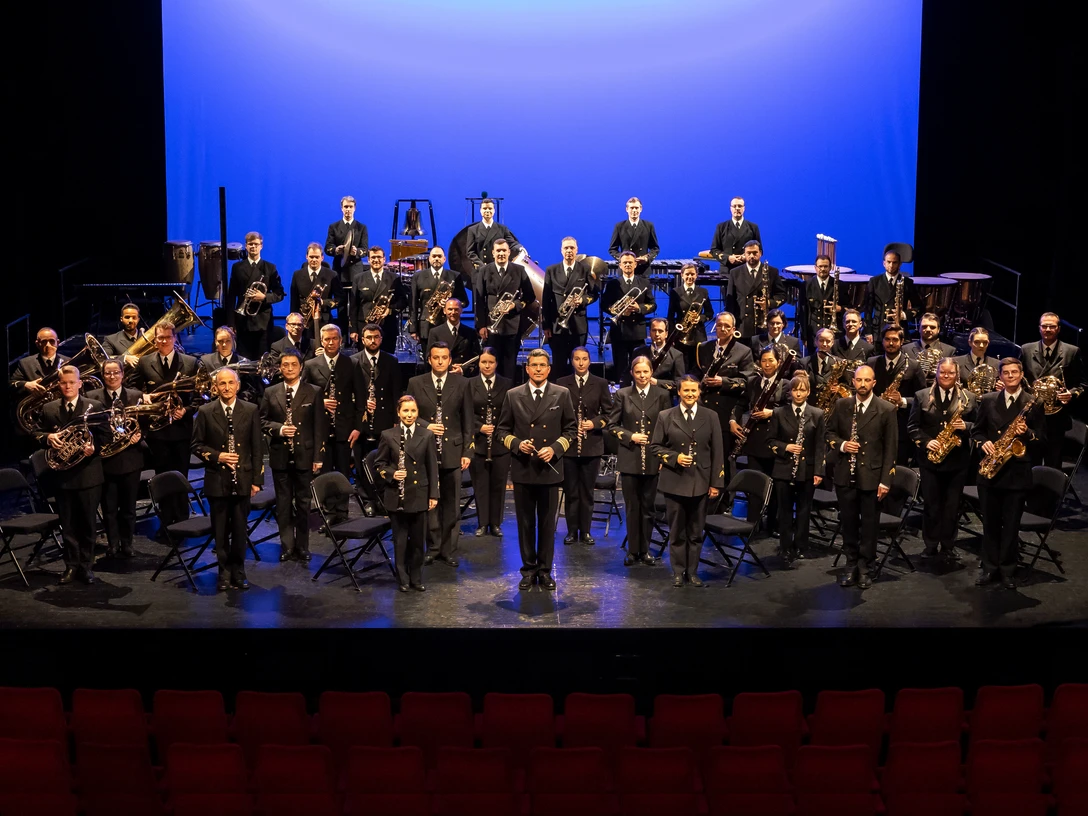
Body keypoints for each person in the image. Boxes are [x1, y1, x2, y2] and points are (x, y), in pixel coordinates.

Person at [496, 349, 576, 590]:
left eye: (543, 365)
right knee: (525, 523)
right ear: (527, 369)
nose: (538, 369)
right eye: (534, 365)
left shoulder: (562, 394)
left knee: (547, 524)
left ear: (549, 369)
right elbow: (501, 432)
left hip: (549, 470)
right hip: (524, 468)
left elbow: (571, 430)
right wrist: (518, 444)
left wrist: (554, 449)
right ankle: (528, 570)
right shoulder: (513, 395)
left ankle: (545, 570)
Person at [971, 357, 1046, 589]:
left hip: (1016, 473)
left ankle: (1008, 570)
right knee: (990, 524)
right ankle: (990, 568)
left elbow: (1042, 438)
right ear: (1000, 376)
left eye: (1015, 372)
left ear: (1022, 374)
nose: (1011, 376)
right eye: (1006, 373)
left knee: (1012, 525)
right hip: (991, 472)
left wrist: (1026, 433)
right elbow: (976, 431)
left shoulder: (1033, 402)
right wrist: (982, 443)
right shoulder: (988, 400)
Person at [825, 365, 897, 589]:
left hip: (872, 476)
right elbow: (829, 433)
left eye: (867, 380)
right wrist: (844, 445)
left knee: (869, 525)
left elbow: (891, 449)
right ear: (853, 382)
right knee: (847, 523)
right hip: (846, 474)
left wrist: (886, 480)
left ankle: (866, 566)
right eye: (859, 380)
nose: (863, 384)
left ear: (874, 383)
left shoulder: (886, 409)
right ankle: (851, 563)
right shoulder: (842, 404)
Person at [192, 368, 264, 591]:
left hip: (242, 479)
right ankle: (223, 572)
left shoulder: (251, 410)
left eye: (230, 383)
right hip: (217, 480)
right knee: (220, 531)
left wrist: (256, 481)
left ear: (238, 385)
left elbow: (256, 448)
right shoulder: (205, 411)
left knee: (241, 530)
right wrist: (218, 456)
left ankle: (239, 571)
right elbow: (196, 446)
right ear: (216, 387)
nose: (226, 387)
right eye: (222, 383)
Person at [650, 375, 725, 587]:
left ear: (699, 392)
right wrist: (675, 458)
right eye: (686, 391)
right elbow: (655, 447)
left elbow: (718, 452)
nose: (690, 394)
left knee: (695, 532)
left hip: (701, 482)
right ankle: (678, 571)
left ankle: (693, 572)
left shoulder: (710, 416)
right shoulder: (666, 416)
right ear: (679, 392)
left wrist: (716, 483)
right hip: (674, 482)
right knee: (677, 532)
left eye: (694, 391)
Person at [407, 342, 473, 567]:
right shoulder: (415, 383)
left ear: (450, 359)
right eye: (436, 357)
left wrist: (467, 451)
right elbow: (407, 414)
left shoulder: (462, 383)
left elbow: (468, 421)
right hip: (425, 453)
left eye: (444, 357)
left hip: (453, 451)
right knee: (430, 502)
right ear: (429, 359)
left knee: (452, 503)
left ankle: (448, 548)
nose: (440, 361)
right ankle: (433, 547)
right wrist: (426, 425)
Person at [39, 366, 106, 584]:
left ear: (80, 383)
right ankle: (70, 566)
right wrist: (48, 437)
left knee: (87, 523)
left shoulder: (94, 407)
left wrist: (93, 447)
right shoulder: (49, 409)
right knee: (67, 525)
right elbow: (34, 433)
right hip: (62, 476)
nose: (67, 386)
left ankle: (86, 566)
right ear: (58, 385)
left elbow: (107, 436)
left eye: (71, 382)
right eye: (63, 383)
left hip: (88, 475)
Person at [259, 349, 326, 563]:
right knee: (283, 504)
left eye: (293, 364)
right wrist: (279, 429)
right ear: (280, 368)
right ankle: (287, 546)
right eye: (285, 364)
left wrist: (318, 457)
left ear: (301, 367)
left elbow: (319, 427)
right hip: (280, 455)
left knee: (304, 504)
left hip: (304, 455)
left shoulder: (314, 391)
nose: (289, 368)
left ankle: (303, 546)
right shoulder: (271, 392)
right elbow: (261, 421)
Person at [908, 358, 978, 562]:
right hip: (930, 460)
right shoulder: (921, 396)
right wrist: (925, 442)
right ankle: (930, 545)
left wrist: (966, 426)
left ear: (957, 375)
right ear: (936, 373)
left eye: (950, 373)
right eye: (942, 372)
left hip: (957, 462)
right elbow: (912, 427)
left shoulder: (969, 397)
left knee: (952, 506)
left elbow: (980, 426)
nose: (946, 376)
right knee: (931, 504)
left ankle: (948, 545)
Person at [608, 356, 672, 567]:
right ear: (633, 374)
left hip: (653, 458)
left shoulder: (662, 394)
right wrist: (630, 436)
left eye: (645, 372)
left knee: (648, 507)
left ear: (651, 372)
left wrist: (663, 455)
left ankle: (645, 550)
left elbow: (668, 428)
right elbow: (612, 426)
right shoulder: (622, 394)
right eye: (638, 372)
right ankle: (633, 550)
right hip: (630, 458)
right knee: (632, 507)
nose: (642, 376)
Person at [301, 324, 366, 524]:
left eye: (334, 339)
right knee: (326, 472)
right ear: (321, 340)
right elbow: (303, 395)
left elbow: (361, 398)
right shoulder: (311, 365)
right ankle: (329, 513)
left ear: (340, 340)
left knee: (344, 471)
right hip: (321, 430)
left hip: (345, 428)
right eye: (326, 339)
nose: (330, 343)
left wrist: (357, 428)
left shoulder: (351, 363)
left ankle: (343, 512)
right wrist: (319, 402)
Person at [135, 321, 199, 524]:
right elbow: (133, 388)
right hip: (157, 432)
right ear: (155, 340)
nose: (163, 341)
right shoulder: (145, 362)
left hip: (181, 431)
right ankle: (166, 520)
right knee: (162, 475)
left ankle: (182, 519)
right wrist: (142, 396)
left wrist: (185, 410)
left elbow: (200, 398)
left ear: (175, 339)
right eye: (160, 338)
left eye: (167, 337)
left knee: (181, 474)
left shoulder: (190, 363)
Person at [375, 395, 439, 592]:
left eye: (413, 411)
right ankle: (402, 578)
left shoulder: (426, 435)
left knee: (419, 541)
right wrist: (394, 474)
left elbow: (432, 467)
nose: (409, 415)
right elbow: (380, 464)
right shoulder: (388, 435)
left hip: (419, 494)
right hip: (397, 496)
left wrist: (433, 495)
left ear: (417, 412)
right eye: (405, 411)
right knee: (400, 540)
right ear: (398, 412)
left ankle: (416, 577)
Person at [87, 359, 145, 559]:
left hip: (130, 461)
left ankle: (127, 543)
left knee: (128, 507)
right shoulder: (92, 398)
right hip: (105, 462)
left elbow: (146, 424)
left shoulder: (136, 396)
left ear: (123, 374)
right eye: (108, 373)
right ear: (103, 376)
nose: (112, 376)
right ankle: (113, 544)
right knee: (109, 508)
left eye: (115, 373)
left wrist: (140, 435)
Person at [730, 345, 791, 529]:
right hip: (755, 441)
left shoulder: (786, 384)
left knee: (774, 486)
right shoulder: (752, 382)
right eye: (763, 360)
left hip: (776, 439)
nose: (767, 364)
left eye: (770, 360)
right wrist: (733, 420)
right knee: (755, 483)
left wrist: (771, 413)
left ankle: (772, 523)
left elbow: (790, 410)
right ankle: (752, 524)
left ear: (778, 362)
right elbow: (741, 403)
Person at [557, 347, 614, 546]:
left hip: (592, 446)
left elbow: (609, 414)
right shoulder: (562, 383)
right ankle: (572, 531)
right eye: (577, 359)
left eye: (584, 359)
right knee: (571, 490)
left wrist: (594, 423)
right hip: (570, 446)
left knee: (587, 491)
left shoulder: (600, 383)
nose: (581, 363)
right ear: (572, 361)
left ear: (590, 361)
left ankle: (586, 531)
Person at [767, 373, 825, 565]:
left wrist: (818, 471)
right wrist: (786, 448)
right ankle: (785, 547)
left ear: (808, 392)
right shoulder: (779, 413)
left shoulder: (817, 414)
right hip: (784, 468)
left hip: (806, 469)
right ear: (790, 392)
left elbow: (819, 446)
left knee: (804, 509)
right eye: (795, 390)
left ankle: (801, 545)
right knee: (784, 510)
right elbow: (770, 441)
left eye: (802, 390)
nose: (798, 393)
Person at [696, 312, 754, 494]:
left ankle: (725, 499)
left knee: (723, 456)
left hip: (725, 410)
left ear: (734, 329)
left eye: (726, 326)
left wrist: (723, 382)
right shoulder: (704, 347)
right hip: (703, 408)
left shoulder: (743, 351)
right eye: (719, 325)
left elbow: (748, 381)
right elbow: (693, 373)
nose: (722, 329)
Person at [1020, 311, 1085, 468]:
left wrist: (1072, 393)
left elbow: (1082, 384)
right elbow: (1020, 380)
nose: (1048, 329)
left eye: (1052, 326)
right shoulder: (1026, 349)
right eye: (1044, 326)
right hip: (1033, 415)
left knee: (1053, 461)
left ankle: (1050, 492)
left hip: (1057, 417)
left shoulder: (1072, 351)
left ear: (1058, 329)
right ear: (1039, 328)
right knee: (1031, 460)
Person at [474, 238, 537, 378]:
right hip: (491, 325)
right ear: (493, 253)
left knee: (509, 365)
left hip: (512, 326)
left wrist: (515, 305)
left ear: (509, 252)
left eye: (504, 250)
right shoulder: (484, 271)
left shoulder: (519, 270)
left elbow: (530, 297)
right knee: (490, 364)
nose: (501, 253)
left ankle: (508, 396)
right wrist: (481, 325)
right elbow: (479, 300)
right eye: (498, 251)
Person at [468, 348, 513, 537]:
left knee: (498, 485)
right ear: (478, 363)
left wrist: (497, 427)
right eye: (483, 362)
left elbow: (510, 412)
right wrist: (480, 427)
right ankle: (482, 522)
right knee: (480, 485)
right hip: (478, 444)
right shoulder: (469, 384)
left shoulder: (507, 383)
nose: (487, 366)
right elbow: (466, 413)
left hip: (499, 443)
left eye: (491, 362)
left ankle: (495, 523)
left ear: (496, 364)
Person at [543, 237, 598, 380]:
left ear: (577, 250)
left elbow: (593, 294)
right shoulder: (551, 270)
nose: (569, 251)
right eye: (566, 248)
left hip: (578, 326)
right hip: (557, 326)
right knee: (559, 365)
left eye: (572, 248)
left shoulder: (585, 269)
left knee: (578, 366)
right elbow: (546, 299)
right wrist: (546, 325)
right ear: (561, 250)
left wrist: (583, 300)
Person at [601, 251, 656, 386]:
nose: (627, 265)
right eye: (624, 262)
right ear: (619, 265)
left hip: (637, 331)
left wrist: (639, 308)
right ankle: (621, 392)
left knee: (638, 364)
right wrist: (617, 310)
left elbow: (653, 305)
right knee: (620, 365)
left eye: (630, 262)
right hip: (619, 331)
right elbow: (604, 305)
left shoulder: (644, 282)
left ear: (635, 264)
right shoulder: (613, 283)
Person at [228, 231, 285, 359]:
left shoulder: (270, 268)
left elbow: (280, 293)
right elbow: (231, 295)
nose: (253, 247)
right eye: (250, 244)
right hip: (243, 321)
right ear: (246, 246)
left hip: (263, 321)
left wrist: (264, 297)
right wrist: (231, 322)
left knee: (262, 358)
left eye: (256, 244)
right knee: (243, 358)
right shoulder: (237, 267)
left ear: (261, 246)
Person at [354, 323, 402, 461]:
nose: (373, 341)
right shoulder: (354, 361)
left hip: (384, 419)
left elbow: (396, 392)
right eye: (369, 337)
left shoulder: (391, 360)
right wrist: (364, 403)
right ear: (363, 340)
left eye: (376, 337)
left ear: (381, 339)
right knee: (361, 458)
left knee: (384, 459)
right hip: (362, 420)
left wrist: (396, 420)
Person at [350, 246, 407, 354]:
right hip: (364, 326)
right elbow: (353, 306)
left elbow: (403, 301)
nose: (376, 260)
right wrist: (353, 330)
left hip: (387, 327)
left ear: (384, 259)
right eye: (373, 257)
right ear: (368, 259)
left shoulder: (394, 278)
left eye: (379, 257)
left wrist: (389, 310)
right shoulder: (358, 278)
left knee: (387, 363)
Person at [726, 240, 786, 342]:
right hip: (742, 326)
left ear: (761, 253)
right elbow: (730, 302)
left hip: (763, 325)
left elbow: (782, 295)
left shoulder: (772, 272)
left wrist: (768, 303)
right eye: (748, 253)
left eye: (755, 253)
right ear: (744, 254)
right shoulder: (735, 273)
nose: (752, 256)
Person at [409, 245, 467, 349]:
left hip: (448, 324)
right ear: (429, 258)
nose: (436, 259)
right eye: (434, 256)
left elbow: (464, 301)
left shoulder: (455, 276)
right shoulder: (418, 276)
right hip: (426, 326)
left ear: (444, 259)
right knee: (428, 360)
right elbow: (413, 304)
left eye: (439, 256)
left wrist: (450, 302)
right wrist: (413, 328)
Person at [666, 263, 714, 372]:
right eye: (687, 274)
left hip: (698, 334)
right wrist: (671, 336)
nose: (690, 277)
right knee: (682, 364)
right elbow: (670, 316)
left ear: (696, 275)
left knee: (697, 365)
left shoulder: (703, 292)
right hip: (681, 334)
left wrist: (700, 318)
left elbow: (710, 312)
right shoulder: (675, 292)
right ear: (682, 275)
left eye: (692, 274)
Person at [324, 196, 369, 313]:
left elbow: (365, 249)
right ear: (341, 208)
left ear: (355, 208)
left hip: (355, 271)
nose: (348, 209)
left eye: (350, 207)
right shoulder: (333, 227)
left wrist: (357, 252)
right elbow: (328, 248)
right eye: (345, 207)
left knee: (357, 303)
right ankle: (342, 330)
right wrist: (336, 250)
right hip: (340, 270)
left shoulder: (361, 227)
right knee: (341, 305)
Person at [863, 250, 919, 341]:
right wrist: (868, 332)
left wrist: (904, 315)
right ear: (884, 263)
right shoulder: (874, 281)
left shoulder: (908, 283)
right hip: (878, 330)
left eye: (894, 262)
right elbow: (868, 310)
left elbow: (919, 307)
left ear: (900, 264)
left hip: (900, 329)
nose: (891, 265)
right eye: (889, 262)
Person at [290, 242, 338, 338]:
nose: (314, 260)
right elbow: (294, 301)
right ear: (306, 256)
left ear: (322, 257)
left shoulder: (332, 275)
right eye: (311, 257)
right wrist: (293, 322)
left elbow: (340, 299)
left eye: (317, 257)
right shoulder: (297, 275)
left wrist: (323, 302)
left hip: (324, 321)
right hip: (303, 322)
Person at [10, 326, 68, 401]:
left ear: (58, 342)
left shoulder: (68, 361)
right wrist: (26, 385)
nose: (48, 345)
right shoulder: (25, 363)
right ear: (37, 344)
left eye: (52, 341)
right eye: (44, 341)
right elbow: (11, 384)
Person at [608, 197, 660, 278]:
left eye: (636, 208)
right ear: (627, 209)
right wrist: (624, 259)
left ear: (641, 209)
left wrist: (647, 258)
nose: (634, 210)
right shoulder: (619, 226)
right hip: (625, 270)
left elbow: (655, 248)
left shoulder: (649, 226)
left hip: (643, 270)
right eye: (632, 208)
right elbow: (612, 249)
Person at [466, 199, 522, 270]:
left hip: (498, 270)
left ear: (494, 210)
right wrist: (482, 266)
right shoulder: (472, 230)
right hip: (480, 271)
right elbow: (470, 252)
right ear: (480, 211)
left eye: (490, 208)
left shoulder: (502, 229)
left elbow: (511, 243)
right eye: (484, 208)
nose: (487, 211)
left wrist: (520, 248)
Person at [634, 317, 686, 392]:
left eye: (660, 331)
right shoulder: (638, 352)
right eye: (654, 330)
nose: (657, 334)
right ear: (649, 332)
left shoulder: (676, 355)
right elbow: (628, 376)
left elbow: (679, 383)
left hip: (664, 398)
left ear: (666, 334)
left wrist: (657, 382)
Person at [426, 299, 481, 370]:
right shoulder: (435, 332)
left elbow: (476, 358)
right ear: (444, 311)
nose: (453, 312)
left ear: (461, 311)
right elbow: (429, 357)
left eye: (456, 309)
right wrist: (449, 367)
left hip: (463, 376)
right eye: (450, 309)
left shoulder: (470, 332)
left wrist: (462, 369)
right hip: (443, 374)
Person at [904, 312, 956, 386]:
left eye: (932, 327)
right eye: (924, 326)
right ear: (919, 329)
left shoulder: (949, 351)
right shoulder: (905, 349)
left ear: (938, 330)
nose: (928, 329)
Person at [709, 197, 762, 267]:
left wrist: (746, 256)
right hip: (727, 271)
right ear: (730, 208)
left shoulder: (753, 227)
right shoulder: (721, 227)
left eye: (740, 206)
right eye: (734, 206)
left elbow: (760, 250)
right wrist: (728, 258)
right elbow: (714, 250)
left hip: (746, 269)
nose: (737, 208)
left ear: (744, 208)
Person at [804, 255, 840, 347]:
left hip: (833, 334)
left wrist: (839, 308)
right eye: (820, 266)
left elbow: (848, 307)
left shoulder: (840, 285)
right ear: (815, 268)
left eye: (825, 266)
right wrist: (804, 336)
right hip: (814, 333)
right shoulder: (806, 285)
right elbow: (803, 312)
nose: (823, 269)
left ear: (831, 267)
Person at [953, 327, 1001, 393]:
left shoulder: (997, 364)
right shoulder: (957, 362)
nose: (981, 345)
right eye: (977, 342)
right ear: (970, 342)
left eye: (985, 342)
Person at [101, 303, 143, 368]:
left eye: (134, 318)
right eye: (127, 317)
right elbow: (103, 359)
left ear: (138, 319)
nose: (130, 320)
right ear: (121, 319)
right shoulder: (111, 339)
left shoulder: (144, 336)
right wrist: (124, 358)